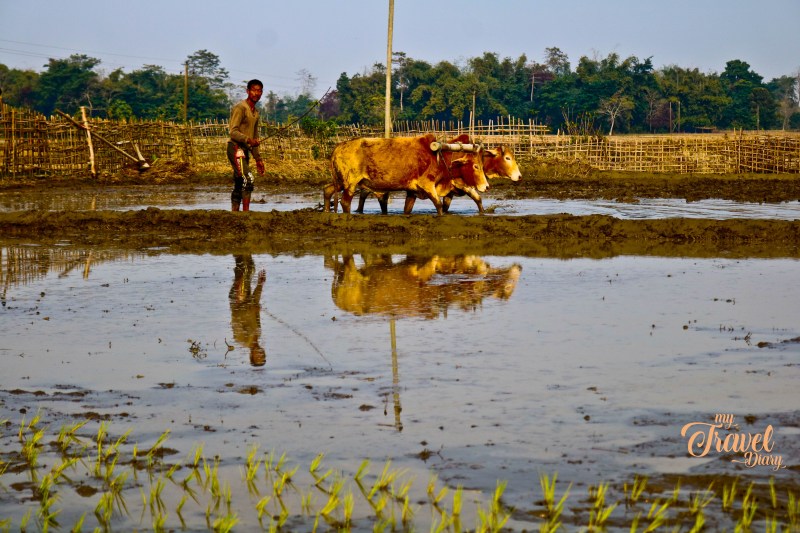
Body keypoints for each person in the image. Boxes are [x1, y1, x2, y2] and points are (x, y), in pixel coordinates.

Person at [227, 79, 266, 211]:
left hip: (245, 151)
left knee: (239, 183)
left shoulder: (256, 113)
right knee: (248, 179)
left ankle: (235, 213)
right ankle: (245, 213)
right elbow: (233, 132)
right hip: (235, 148)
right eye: (254, 90)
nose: (257, 93)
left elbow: (255, 138)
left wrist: (258, 159)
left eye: (259, 91)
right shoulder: (241, 108)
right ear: (248, 91)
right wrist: (248, 140)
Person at [229, 254, 267, 367]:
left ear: (251, 356)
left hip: (237, 298)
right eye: (263, 356)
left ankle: (237, 247)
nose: (260, 354)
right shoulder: (258, 333)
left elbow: (236, 315)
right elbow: (254, 303)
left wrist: (252, 310)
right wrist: (260, 284)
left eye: (258, 357)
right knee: (251, 267)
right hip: (247, 296)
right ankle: (244, 248)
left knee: (244, 270)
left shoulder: (241, 339)